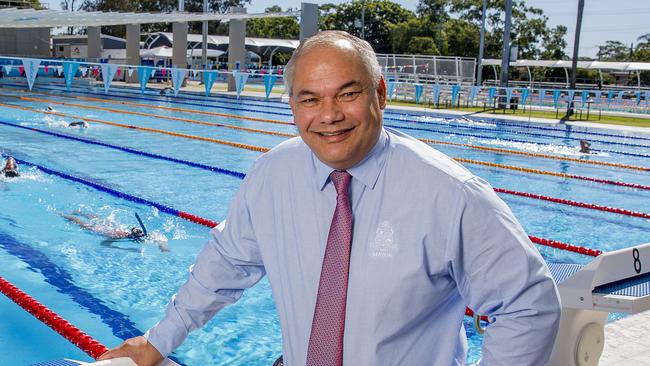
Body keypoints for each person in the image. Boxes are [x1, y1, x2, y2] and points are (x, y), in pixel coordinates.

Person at [100, 31, 560, 365]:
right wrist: (158, 341)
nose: (329, 116)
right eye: (309, 99)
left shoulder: (450, 195)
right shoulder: (273, 175)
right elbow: (226, 263)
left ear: (380, 93)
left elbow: (529, 305)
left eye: (347, 94)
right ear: (292, 105)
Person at [61, 210, 146, 242]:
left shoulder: (124, 232)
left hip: (106, 226)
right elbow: (104, 244)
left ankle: (79, 212)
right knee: (79, 222)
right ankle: (62, 214)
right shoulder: (118, 236)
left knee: (98, 218)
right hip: (97, 229)